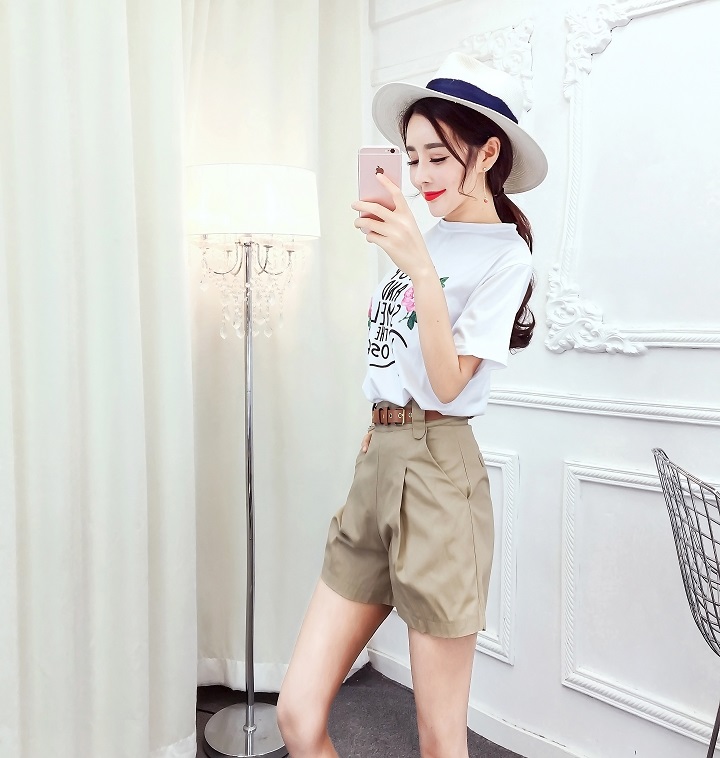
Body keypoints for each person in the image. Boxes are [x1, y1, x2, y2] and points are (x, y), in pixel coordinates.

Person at [277, 52, 548, 758]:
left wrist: (419, 268)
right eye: (412, 156)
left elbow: (449, 383)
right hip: (379, 462)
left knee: (438, 738)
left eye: (438, 157)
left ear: (488, 154)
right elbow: (390, 354)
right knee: (297, 714)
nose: (421, 175)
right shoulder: (426, 234)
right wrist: (376, 431)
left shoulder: (505, 258)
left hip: (438, 473)